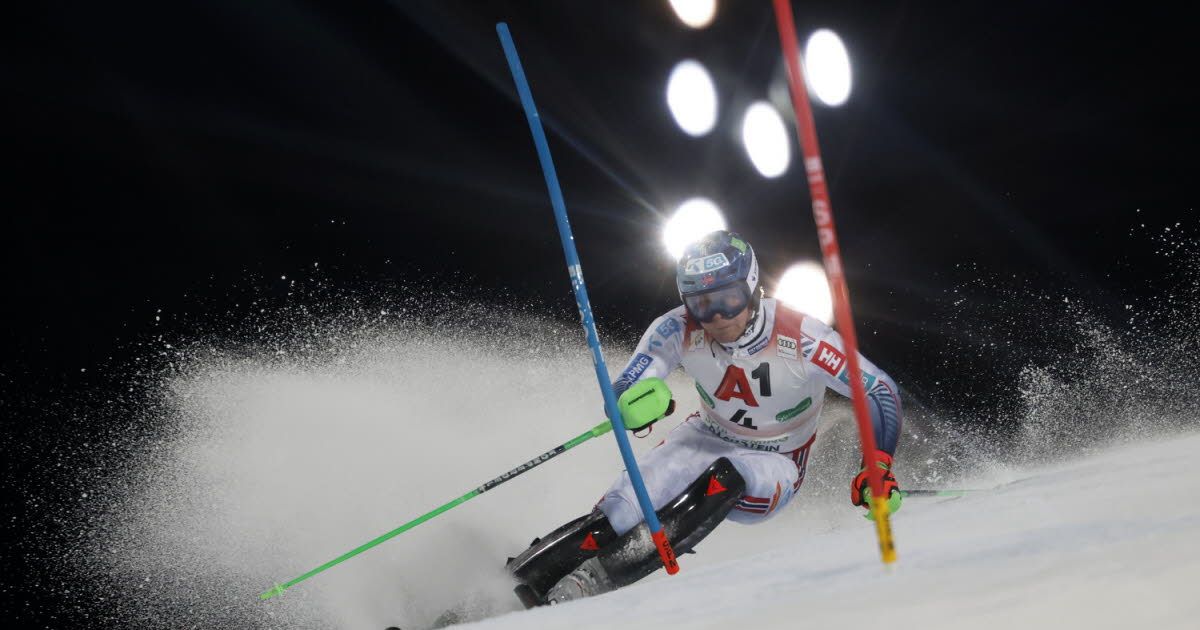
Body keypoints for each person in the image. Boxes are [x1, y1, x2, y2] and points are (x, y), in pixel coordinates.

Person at [505, 230, 903, 606]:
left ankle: (593, 580)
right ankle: (514, 581)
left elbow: (878, 388)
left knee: (727, 475)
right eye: (701, 303)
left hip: (776, 460)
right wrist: (630, 402)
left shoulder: (802, 336)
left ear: (751, 287)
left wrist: (878, 464)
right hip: (705, 435)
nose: (715, 317)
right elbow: (627, 382)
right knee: (619, 512)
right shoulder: (676, 327)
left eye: (728, 299)